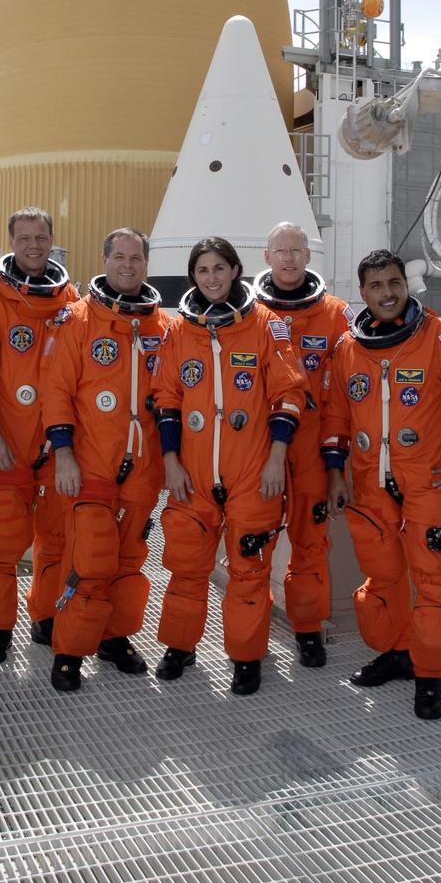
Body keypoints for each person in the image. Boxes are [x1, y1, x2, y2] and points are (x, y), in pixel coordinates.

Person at [322, 249, 441, 720]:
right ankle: (398, 652)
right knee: (383, 579)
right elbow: (336, 417)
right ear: (362, 292)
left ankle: (429, 677)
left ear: (405, 285)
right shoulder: (348, 348)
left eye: (394, 283)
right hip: (369, 486)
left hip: (431, 482)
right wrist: (335, 474)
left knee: (433, 584)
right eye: (376, 286)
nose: (387, 293)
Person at [154, 238, 308, 696]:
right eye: (202, 270)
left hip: (253, 472)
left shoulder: (267, 326)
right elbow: (166, 401)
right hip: (194, 475)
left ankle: (245, 655)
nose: (212, 278)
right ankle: (180, 647)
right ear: (193, 277)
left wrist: (277, 458)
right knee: (186, 566)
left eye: (219, 268)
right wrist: (170, 462)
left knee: (249, 572)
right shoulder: (179, 331)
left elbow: (289, 395)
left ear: (236, 269)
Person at [40, 228, 169, 692]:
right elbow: (56, 393)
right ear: (104, 258)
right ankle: (70, 650)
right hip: (91, 463)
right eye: (120, 257)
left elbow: (173, 398)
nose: (128, 266)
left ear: (146, 264)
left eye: (136, 258)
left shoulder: (163, 327)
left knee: (130, 560)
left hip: (143, 467)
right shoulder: (77, 320)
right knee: (90, 559)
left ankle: (115, 639)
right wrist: (64, 456)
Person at [0, 206, 78, 664]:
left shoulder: (71, 300)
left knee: (55, 539)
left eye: (41, 236)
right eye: (24, 236)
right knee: (5, 541)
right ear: (10, 241)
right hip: (6, 442)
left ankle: (44, 616)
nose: (33, 244)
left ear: (51, 239)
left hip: (56, 446)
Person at [254, 221, 354, 669]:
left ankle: (308, 629)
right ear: (267, 257)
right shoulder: (249, 312)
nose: (289, 258)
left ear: (309, 257)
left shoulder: (335, 314)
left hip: (312, 447)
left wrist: (337, 459)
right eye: (281, 250)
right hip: (260, 447)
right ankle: (249, 636)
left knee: (311, 543)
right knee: (253, 543)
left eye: (297, 250)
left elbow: (348, 389)